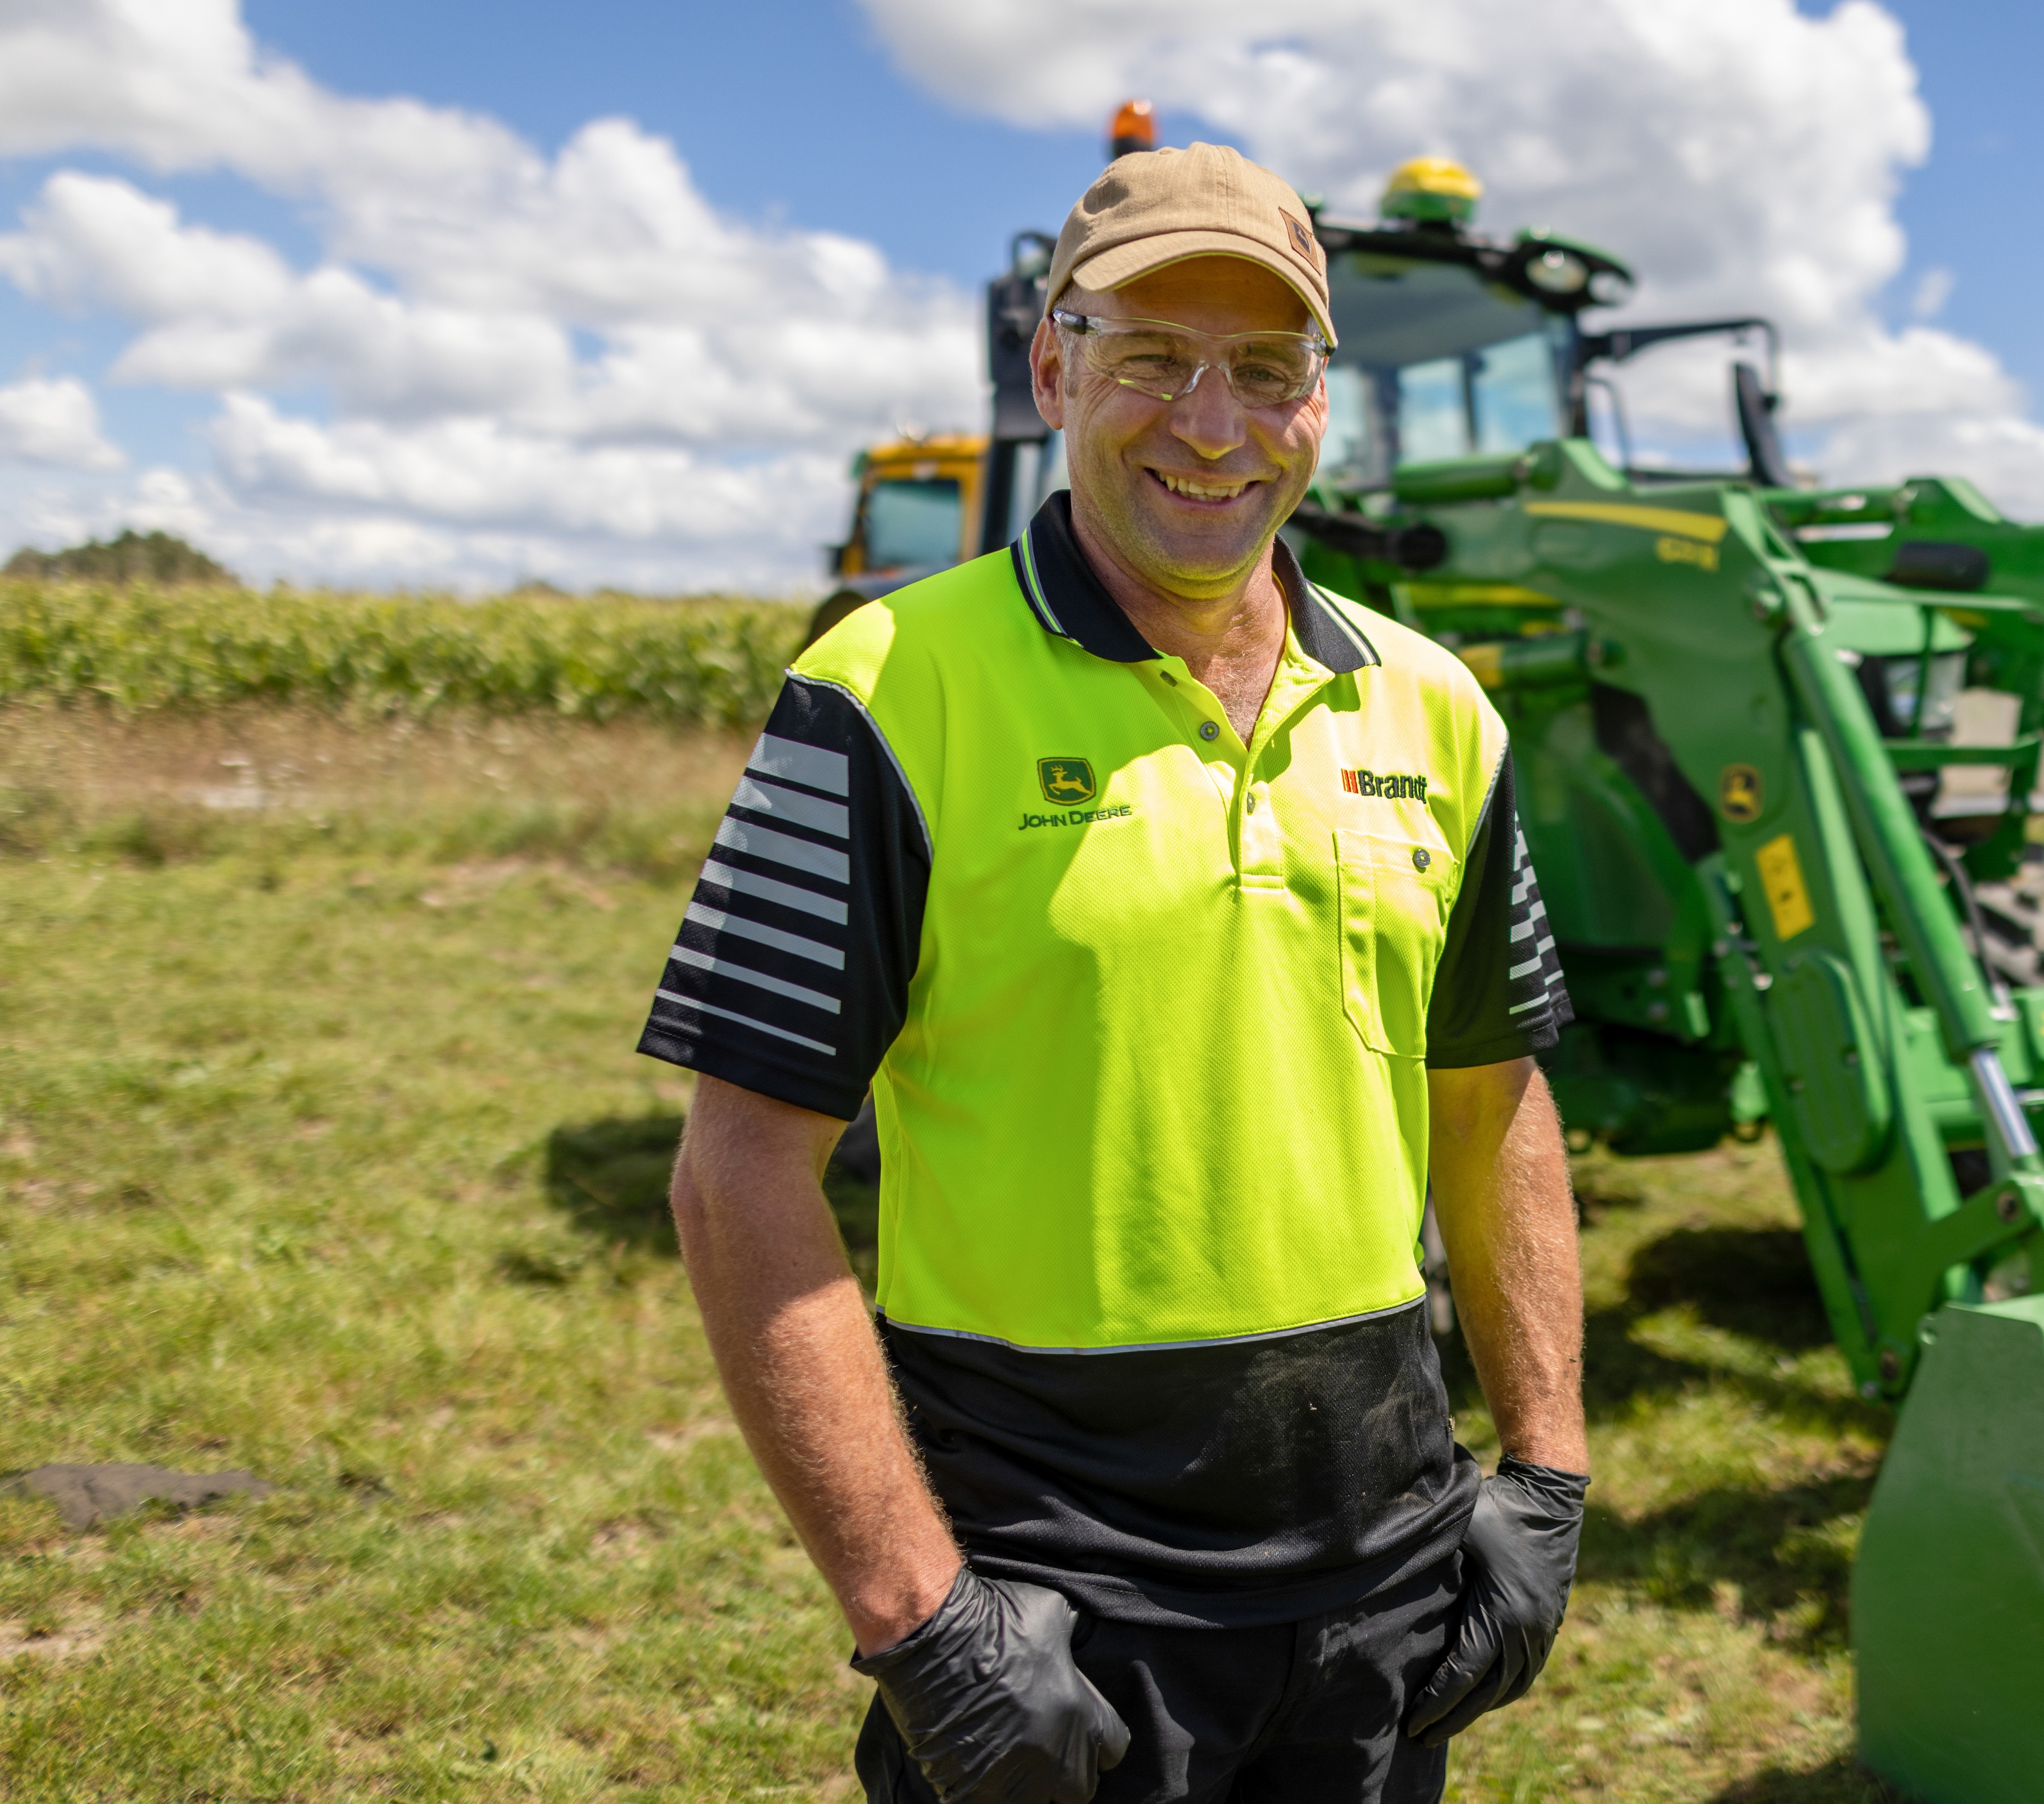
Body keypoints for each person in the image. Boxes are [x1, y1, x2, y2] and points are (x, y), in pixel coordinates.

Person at [640, 140, 1589, 1804]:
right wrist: (921, 1620)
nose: (1211, 424)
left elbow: (1493, 1101)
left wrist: (1551, 1474)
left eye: (1267, 371)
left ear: (1322, 399)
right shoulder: (885, 690)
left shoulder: (1437, 707)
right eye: (1151, 358)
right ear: (1052, 365)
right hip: (1049, 1602)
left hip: (1380, 1569)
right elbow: (740, 1175)